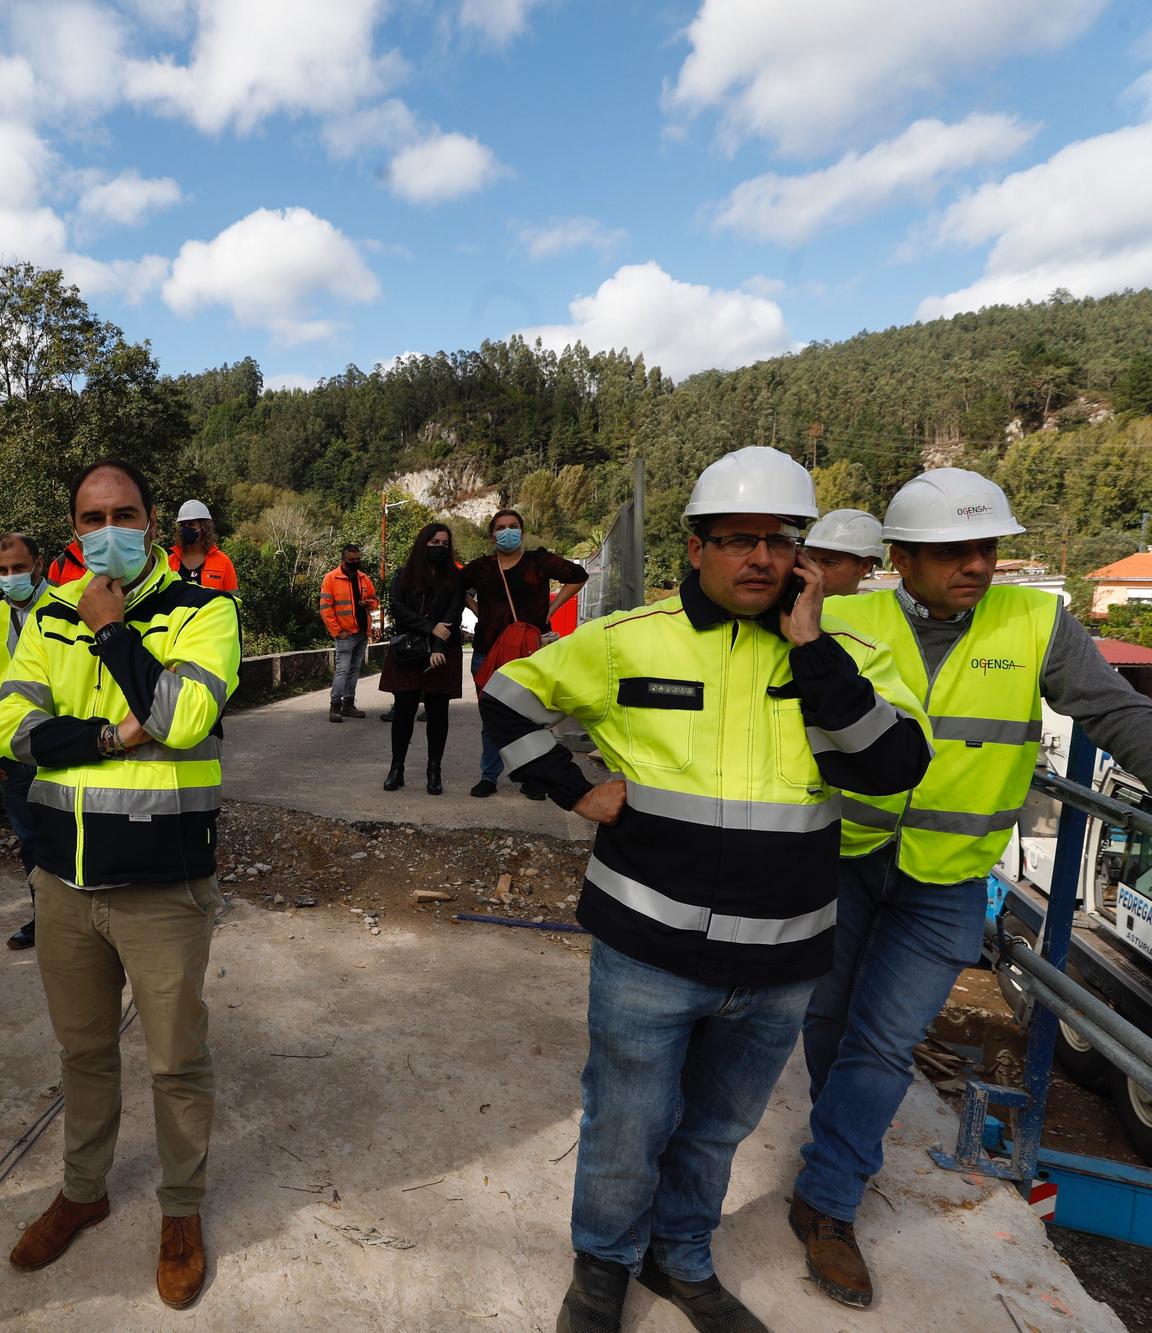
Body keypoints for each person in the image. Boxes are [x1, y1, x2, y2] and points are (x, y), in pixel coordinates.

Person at [480, 447, 931, 1333]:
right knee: (624, 1124)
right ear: (695, 548)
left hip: (781, 960)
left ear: (803, 554)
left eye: (779, 539)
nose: (759, 557)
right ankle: (603, 1268)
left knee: (718, 1130)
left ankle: (680, 1255)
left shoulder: (854, 655)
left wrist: (812, 651)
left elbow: (893, 769)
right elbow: (506, 695)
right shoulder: (628, 640)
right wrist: (573, 787)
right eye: (737, 539)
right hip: (647, 949)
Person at [792, 470, 1152, 1310]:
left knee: (884, 1040)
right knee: (827, 1018)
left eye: (988, 547)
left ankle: (829, 1198)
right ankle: (832, 1139)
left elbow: (1115, 711)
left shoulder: (1036, 622)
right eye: (955, 550)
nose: (979, 565)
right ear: (902, 557)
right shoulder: (845, 616)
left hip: (949, 875)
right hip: (842, 855)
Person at [0, 458, 240, 1311]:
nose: (108, 532)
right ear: (74, 529)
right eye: (91, 518)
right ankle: (84, 1189)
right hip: (62, 884)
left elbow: (180, 720)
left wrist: (112, 630)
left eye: (124, 513)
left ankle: (180, 1212)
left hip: (163, 885)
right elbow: (12, 730)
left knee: (176, 1059)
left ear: (152, 519)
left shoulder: (205, 610)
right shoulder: (45, 616)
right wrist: (108, 734)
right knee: (84, 1052)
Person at [463, 508, 586, 799]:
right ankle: (488, 776)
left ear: (522, 531)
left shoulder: (538, 562)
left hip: (532, 653)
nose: (507, 532)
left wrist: (551, 610)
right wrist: (477, 609)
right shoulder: (481, 567)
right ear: (492, 535)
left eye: (513, 526)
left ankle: (534, 778)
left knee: (534, 718)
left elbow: (578, 575)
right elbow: (455, 588)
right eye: (501, 527)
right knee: (491, 719)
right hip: (489, 651)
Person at [0, 532, 47, 950]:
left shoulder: (66, 607)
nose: (10, 577)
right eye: (2, 570)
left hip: (60, 747)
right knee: (31, 844)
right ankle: (44, 919)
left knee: (75, 835)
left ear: (38, 564)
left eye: (18, 568)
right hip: (11, 753)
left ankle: (85, 926)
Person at [378, 523, 466, 795]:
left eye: (445, 544)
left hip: (443, 651)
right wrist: (429, 628)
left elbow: (454, 612)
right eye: (434, 542)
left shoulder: (455, 578)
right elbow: (396, 606)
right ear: (422, 543)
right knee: (403, 710)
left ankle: (434, 770)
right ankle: (397, 768)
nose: (440, 547)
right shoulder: (403, 575)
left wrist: (438, 643)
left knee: (438, 713)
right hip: (409, 650)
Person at [321, 542, 380, 723]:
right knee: (343, 670)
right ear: (344, 559)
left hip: (362, 633)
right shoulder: (331, 578)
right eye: (352, 559)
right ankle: (335, 705)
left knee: (354, 670)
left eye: (358, 559)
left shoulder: (363, 578)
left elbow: (375, 600)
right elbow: (325, 608)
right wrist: (337, 632)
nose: (356, 562)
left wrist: (367, 603)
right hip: (345, 634)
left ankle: (348, 703)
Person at [802, 509, 884, 599]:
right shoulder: (789, 605)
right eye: (811, 561)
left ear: (865, 566)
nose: (815, 572)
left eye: (830, 563)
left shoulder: (875, 610)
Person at [169, 499, 238, 592]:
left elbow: (233, 601)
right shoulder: (170, 562)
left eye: (191, 524)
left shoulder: (223, 562)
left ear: (204, 527)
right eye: (183, 525)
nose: (186, 529)